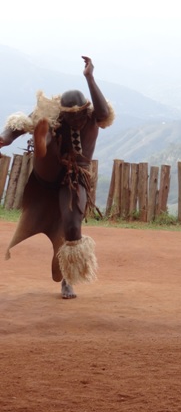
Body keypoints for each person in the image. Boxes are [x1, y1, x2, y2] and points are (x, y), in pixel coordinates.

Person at [1, 56, 113, 299]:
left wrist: (90, 77)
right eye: (69, 117)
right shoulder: (54, 114)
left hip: (74, 178)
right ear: (63, 112)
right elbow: (20, 124)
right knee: (45, 129)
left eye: (78, 116)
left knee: (72, 228)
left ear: (85, 110)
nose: (74, 121)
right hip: (48, 174)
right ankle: (42, 145)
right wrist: (4, 139)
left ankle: (67, 279)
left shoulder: (93, 116)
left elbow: (104, 113)